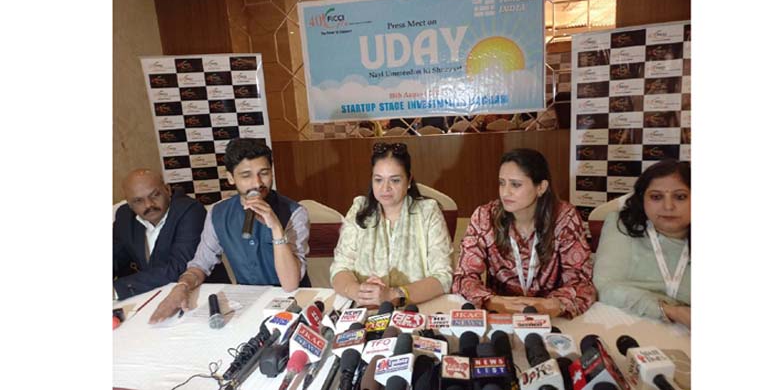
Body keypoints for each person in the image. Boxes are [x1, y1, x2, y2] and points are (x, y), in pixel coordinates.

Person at [149, 139, 310, 323]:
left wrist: (275, 227)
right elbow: (200, 264)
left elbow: (290, 284)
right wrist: (183, 286)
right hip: (250, 302)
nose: (257, 183)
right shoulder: (218, 213)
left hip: (294, 303)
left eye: (264, 173)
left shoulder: (295, 212)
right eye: (246, 176)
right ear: (231, 178)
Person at [452, 148, 596, 318]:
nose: (505, 192)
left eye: (515, 184)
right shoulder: (484, 217)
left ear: (541, 187)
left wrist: (553, 305)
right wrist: (493, 301)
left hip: (550, 317)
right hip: (501, 314)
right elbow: (463, 277)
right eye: (502, 183)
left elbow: (581, 283)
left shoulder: (565, 218)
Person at [329, 142, 453, 308]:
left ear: (409, 180)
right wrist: (359, 292)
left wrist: (393, 295)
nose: (385, 188)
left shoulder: (428, 212)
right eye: (378, 180)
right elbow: (339, 268)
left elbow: (443, 276)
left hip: (416, 310)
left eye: (394, 180)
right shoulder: (359, 209)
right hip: (366, 309)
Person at [593, 159, 691, 328]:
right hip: (627, 322)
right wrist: (670, 311)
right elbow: (604, 287)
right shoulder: (622, 226)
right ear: (642, 199)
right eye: (656, 197)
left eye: (680, 197)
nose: (668, 206)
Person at [113, 169, 206, 300]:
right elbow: (116, 258)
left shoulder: (190, 210)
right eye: (138, 200)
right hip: (151, 297)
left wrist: (116, 290)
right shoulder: (124, 216)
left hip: (198, 296)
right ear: (129, 204)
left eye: (155, 195)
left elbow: (178, 268)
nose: (149, 205)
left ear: (167, 190)